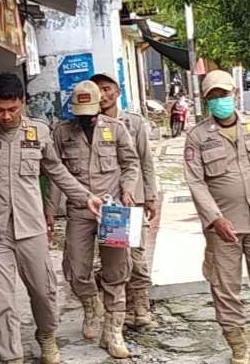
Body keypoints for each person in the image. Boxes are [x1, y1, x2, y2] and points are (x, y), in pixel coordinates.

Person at [0, 73, 102, 364]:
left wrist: (85, 196)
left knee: (44, 293)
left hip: (31, 229)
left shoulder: (40, 133)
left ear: (23, 103)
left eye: (12, 109)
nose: (5, 116)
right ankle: (11, 357)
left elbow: (57, 172)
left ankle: (46, 335)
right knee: (1, 299)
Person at [183, 70, 250, 364]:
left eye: (224, 94)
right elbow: (195, 181)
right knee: (226, 289)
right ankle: (240, 352)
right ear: (206, 101)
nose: (220, 100)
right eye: (213, 97)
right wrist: (215, 219)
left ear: (235, 93)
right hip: (223, 228)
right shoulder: (198, 136)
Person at [44, 80, 140, 359]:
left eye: (90, 111)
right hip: (79, 209)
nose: (85, 117)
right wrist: (50, 209)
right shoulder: (61, 132)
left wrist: (128, 190)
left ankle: (113, 329)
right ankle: (90, 305)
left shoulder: (116, 129)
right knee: (75, 268)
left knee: (117, 269)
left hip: (112, 210)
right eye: (80, 112)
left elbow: (130, 164)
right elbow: (54, 173)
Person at [89, 73, 158, 328]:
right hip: (105, 205)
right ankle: (124, 307)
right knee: (116, 259)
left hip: (133, 201)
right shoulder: (88, 125)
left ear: (117, 92)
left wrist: (150, 196)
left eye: (107, 89)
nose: (103, 95)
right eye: (97, 91)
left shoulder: (134, 123)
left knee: (137, 256)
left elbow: (145, 160)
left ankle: (141, 305)